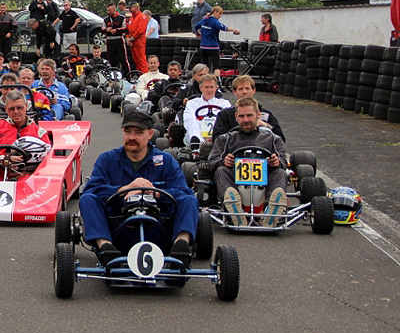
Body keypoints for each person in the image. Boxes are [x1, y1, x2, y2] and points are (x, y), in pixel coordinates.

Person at [79, 109, 197, 266]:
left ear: (150, 134)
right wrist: (123, 190)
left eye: (138, 132)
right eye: (128, 132)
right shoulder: (107, 159)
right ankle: (105, 247)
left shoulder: (165, 161)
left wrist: (156, 193)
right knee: (87, 199)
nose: (132, 137)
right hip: (119, 231)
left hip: (158, 229)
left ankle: (180, 245)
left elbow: (183, 192)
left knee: (190, 199)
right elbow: (92, 190)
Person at [208, 96, 288, 227]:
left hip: (265, 183)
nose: (246, 120)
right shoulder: (225, 139)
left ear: (258, 115)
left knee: (280, 173)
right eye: (242, 116)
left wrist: (277, 162)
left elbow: (285, 161)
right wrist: (224, 161)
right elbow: (211, 162)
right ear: (236, 117)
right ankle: (233, 206)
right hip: (235, 182)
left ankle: (271, 210)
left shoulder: (273, 139)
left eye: (250, 116)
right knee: (221, 171)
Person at [0, 90, 52, 181]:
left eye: (19, 108)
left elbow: (47, 158)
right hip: (0, 175)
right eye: (12, 109)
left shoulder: (39, 132)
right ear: (6, 108)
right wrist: (6, 158)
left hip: (29, 178)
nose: (15, 112)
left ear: (26, 107)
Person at [211, 75, 284, 141]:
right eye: (240, 89)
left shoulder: (266, 114)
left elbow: (281, 140)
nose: (244, 92)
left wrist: (266, 126)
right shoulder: (225, 115)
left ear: (254, 90)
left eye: (247, 88)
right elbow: (217, 139)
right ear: (234, 92)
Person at [183, 74, 232, 144]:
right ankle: (197, 143)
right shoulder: (192, 103)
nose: (209, 90)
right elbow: (188, 120)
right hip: (197, 133)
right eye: (206, 87)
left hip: (218, 135)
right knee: (192, 121)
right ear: (200, 88)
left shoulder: (224, 103)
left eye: (211, 87)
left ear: (216, 88)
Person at [194, 5, 240, 77]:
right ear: (214, 12)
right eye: (219, 13)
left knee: (204, 65)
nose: (220, 16)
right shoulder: (215, 22)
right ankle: (217, 82)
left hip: (203, 46)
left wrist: (198, 33)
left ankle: (203, 80)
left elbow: (196, 26)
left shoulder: (204, 20)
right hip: (213, 47)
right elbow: (225, 28)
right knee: (216, 66)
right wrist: (234, 30)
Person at [103, 4, 129, 73]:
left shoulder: (121, 18)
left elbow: (125, 28)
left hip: (119, 40)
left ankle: (127, 75)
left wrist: (117, 30)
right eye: (107, 10)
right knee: (111, 60)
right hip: (109, 40)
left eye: (110, 10)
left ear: (114, 10)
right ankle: (113, 74)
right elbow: (102, 29)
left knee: (123, 59)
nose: (108, 12)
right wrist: (106, 30)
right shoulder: (106, 19)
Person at [126, 3, 149, 73]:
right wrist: (128, 38)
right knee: (136, 60)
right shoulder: (131, 18)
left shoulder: (142, 16)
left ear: (136, 7)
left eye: (131, 8)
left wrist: (132, 38)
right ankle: (140, 75)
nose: (129, 9)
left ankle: (145, 75)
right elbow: (128, 29)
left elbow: (141, 30)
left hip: (139, 42)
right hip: (133, 42)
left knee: (141, 60)